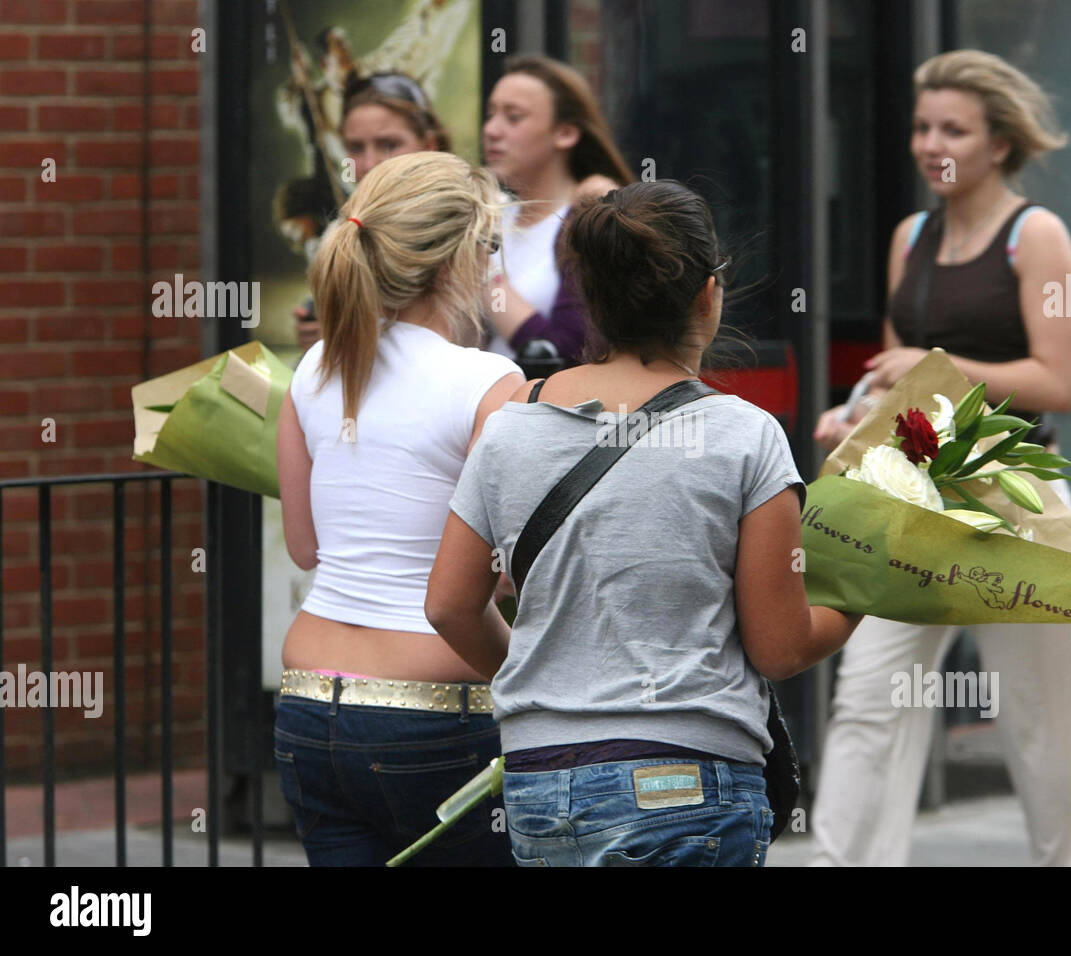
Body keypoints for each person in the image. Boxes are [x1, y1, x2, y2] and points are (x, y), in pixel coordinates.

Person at [424, 180, 862, 867]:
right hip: (685, 782)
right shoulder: (745, 437)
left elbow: (449, 605)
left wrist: (552, 681)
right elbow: (780, 647)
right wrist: (869, 594)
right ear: (708, 294)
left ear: (590, 299)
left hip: (540, 785)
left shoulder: (509, 429)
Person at [809, 49, 1071, 867]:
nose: (930, 142)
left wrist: (934, 362)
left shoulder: (1038, 236)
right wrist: (855, 417)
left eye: (953, 128)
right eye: (922, 127)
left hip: (1014, 497)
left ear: (1000, 143)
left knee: (1048, 715)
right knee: (869, 700)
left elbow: (1057, 381)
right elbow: (901, 382)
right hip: (917, 496)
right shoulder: (909, 238)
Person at [274, 151, 525, 866]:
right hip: (438, 712)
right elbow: (498, 575)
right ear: (457, 260)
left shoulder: (315, 369)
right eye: (490, 246)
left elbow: (305, 547)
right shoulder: (489, 381)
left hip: (308, 700)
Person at [480, 54, 634, 365]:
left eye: (513, 117)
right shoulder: (489, 217)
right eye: (491, 114)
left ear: (565, 133)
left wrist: (483, 274)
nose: (491, 130)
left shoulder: (588, 220)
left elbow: (566, 349)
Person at [293, 71, 453, 352]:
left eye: (389, 145)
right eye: (356, 147)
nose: (370, 164)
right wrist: (322, 335)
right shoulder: (343, 228)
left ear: (429, 145)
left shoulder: (470, 219)